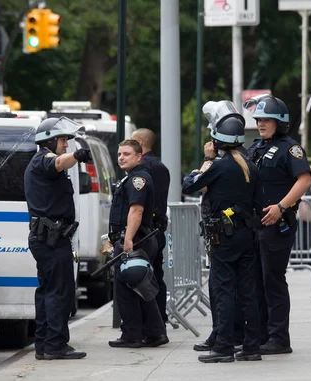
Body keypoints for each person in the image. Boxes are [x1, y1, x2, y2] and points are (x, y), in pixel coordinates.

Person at [183, 100, 263, 363]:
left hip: (224, 239)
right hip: (246, 236)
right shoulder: (250, 166)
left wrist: (206, 160)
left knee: (224, 291)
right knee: (248, 291)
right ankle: (251, 347)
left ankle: (224, 347)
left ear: (217, 140)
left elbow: (189, 185)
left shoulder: (219, 166)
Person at [244, 95, 311, 355]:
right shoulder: (257, 147)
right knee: (257, 281)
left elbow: (304, 180)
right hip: (256, 224)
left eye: (267, 120)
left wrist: (281, 207)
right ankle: (262, 335)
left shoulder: (290, 148)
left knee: (272, 280)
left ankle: (279, 338)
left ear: (280, 122)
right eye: (259, 119)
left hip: (277, 223)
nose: (261, 124)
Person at [24, 117, 90, 360]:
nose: (66, 144)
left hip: (48, 239)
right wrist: (79, 156)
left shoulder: (41, 160)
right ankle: (55, 345)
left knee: (47, 292)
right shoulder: (44, 159)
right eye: (63, 139)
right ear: (50, 141)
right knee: (59, 292)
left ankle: (44, 344)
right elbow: (59, 163)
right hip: (51, 240)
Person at [107, 139, 168, 348]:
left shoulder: (137, 179)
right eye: (119, 154)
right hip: (139, 239)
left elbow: (137, 210)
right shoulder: (133, 177)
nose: (121, 158)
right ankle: (156, 333)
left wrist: (128, 239)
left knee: (126, 290)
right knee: (141, 287)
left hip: (136, 240)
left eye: (126, 154)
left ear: (139, 156)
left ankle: (132, 335)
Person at [131, 128, 171, 324]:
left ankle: (150, 323)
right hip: (157, 229)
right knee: (156, 276)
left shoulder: (143, 167)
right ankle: (159, 320)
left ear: (140, 142)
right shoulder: (161, 166)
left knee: (142, 277)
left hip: (145, 231)